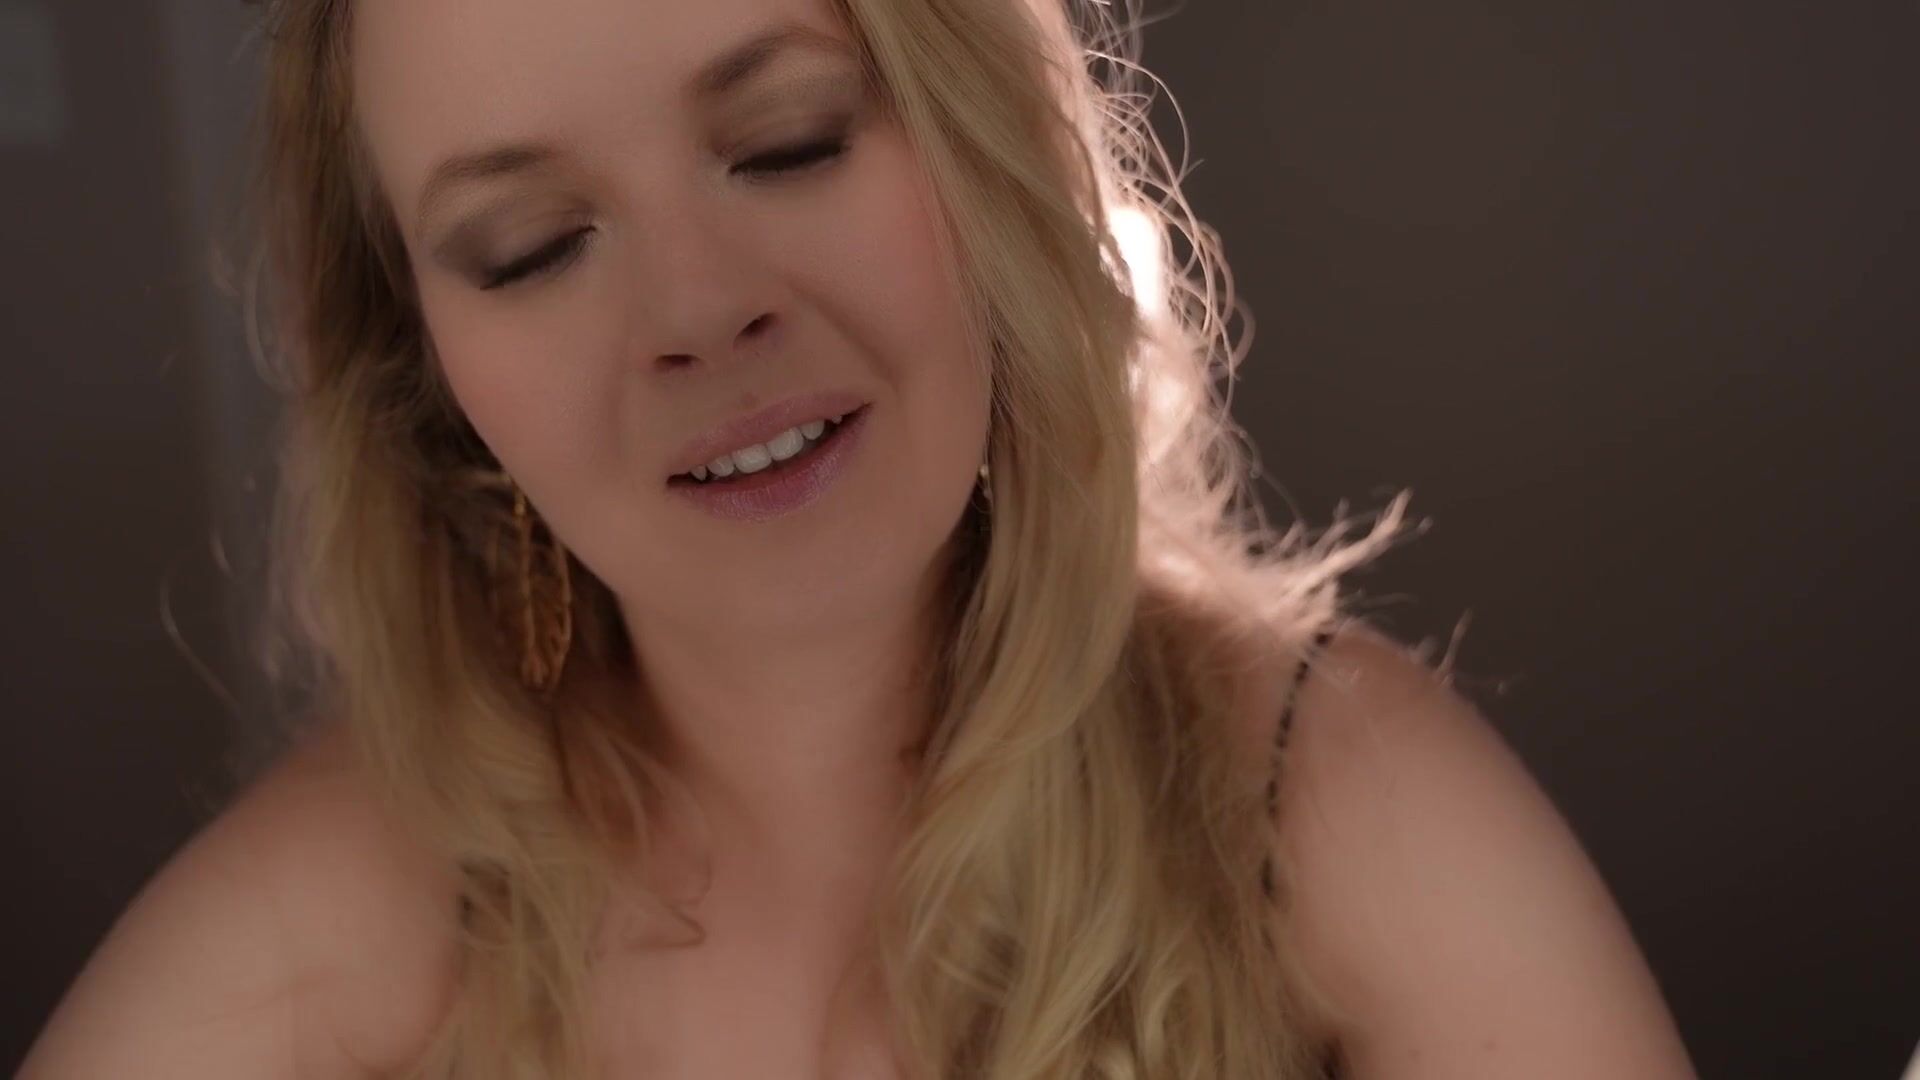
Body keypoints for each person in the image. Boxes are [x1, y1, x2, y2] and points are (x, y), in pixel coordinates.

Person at [21, 0, 1701, 1077]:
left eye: (787, 143)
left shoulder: (1333, 811)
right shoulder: (348, 915)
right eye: (530, 245)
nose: (699, 311)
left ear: (994, 146)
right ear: (432, 383)